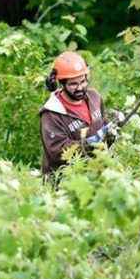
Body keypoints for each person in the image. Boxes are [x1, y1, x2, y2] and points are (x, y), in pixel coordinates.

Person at [39, 51, 122, 182]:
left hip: (96, 173)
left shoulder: (94, 97)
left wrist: (112, 130)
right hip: (64, 182)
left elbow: (103, 125)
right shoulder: (52, 113)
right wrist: (89, 145)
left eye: (82, 81)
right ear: (62, 83)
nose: (80, 88)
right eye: (73, 84)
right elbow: (56, 151)